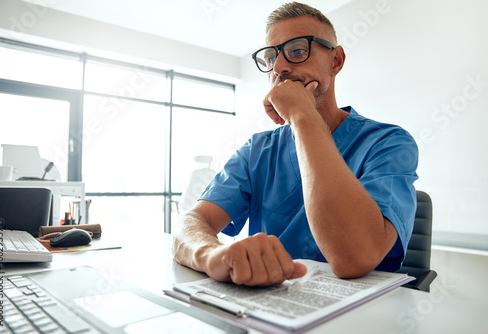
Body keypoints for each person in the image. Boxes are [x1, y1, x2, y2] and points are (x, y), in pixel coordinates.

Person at [172, 2, 418, 286]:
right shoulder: (257, 150)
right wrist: (211, 254)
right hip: (271, 309)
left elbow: (354, 258)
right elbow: (191, 222)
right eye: (270, 58)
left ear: (335, 61)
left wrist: (302, 116)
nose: (278, 68)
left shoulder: (388, 143)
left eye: (298, 51)